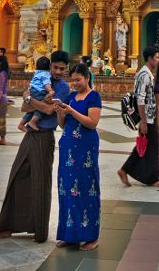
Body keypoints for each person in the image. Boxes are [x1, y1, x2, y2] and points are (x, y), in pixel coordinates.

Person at [0, 50, 72, 243]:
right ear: (50, 66)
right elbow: (25, 108)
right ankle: (7, 226)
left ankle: (40, 233)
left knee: (41, 183)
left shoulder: (64, 88)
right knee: (16, 175)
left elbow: (50, 109)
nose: (58, 71)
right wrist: (33, 102)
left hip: (44, 137)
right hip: (31, 134)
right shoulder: (41, 80)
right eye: (55, 67)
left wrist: (30, 99)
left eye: (62, 69)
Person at [55, 62, 103, 251]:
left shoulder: (94, 97)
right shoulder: (71, 96)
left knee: (86, 187)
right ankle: (70, 234)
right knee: (66, 188)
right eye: (72, 80)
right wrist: (60, 112)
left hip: (85, 148)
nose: (75, 83)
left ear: (87, 78)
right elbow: (62, 124)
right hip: (68, 148)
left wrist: (71, 110)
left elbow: (92, 123)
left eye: (78, 80)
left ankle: (91, 236)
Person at [118, 48, 159, 188]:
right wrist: (143, 121)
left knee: (145, 146)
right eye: (156, 57)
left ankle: (124, 169)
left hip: (149, 117)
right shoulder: (144, 74)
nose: (158, 60)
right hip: (147, 119)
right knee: (152, 147)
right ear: (149, 58)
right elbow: (140, 99)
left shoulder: (148, 74)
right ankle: (151, 178)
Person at [19, 56, 55, 132]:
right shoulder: (46, 74)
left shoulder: (37, 72)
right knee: (41, 107)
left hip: (32, 91)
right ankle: (33, 122)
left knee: (32, 109)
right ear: (49, 66)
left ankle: (21, 124)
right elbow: (46, 83)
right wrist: (50, 90)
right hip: (39, 91)